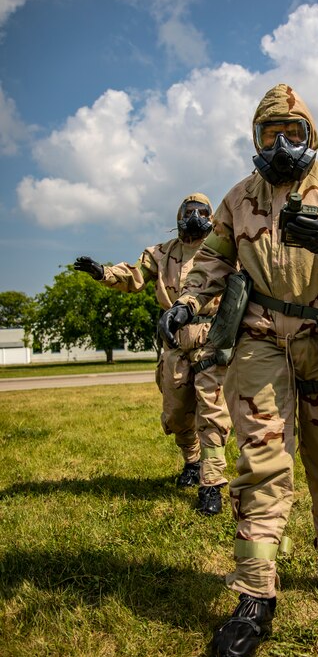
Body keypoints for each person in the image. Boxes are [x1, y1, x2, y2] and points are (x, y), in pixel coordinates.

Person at [158, 84, 318, 657]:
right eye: (272, 134)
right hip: (262, 341)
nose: (284, 143)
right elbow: (213, 258)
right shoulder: (240, 198)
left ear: (311, 135)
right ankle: (254, 596)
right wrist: (189, 303)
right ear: (256, 139)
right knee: (262, 462)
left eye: (294, 132)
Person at [74, 194, 231, 515]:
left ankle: (211, 482)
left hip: (210, 337)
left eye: (203, 212)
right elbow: (134, 276)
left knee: (212, 413)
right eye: (190, 212)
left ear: (212, 217)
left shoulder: (220, 251)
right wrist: (102, 272)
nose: (196, 217)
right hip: (173, 340)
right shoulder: (162, 254)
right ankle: (191, 462)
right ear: (178, 216)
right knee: (176, 413)